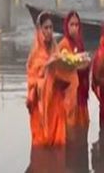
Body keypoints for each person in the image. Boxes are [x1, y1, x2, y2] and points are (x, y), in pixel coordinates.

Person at [26, 12, 71, 146]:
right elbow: (32, 82)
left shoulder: (56, 51)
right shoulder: (35, 55)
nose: (49, 31)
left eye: (51, 27)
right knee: (41, 146)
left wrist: (64, 70)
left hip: (56, 104)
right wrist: (47, 67)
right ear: (40, 30)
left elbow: (63, 77)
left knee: (58, 145)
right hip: (40, 107)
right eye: (46, 28)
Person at [58, 11, 89, 128]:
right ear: (66, 26)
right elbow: (61, 70)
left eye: (77, 25)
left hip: (81, 92)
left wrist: (85, 63)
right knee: (70, 128)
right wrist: (78, 65)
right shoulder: (63, 45)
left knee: (82, 128)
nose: (74, 28)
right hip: (70, 94)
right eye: (72, 24)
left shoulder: (80, 42)